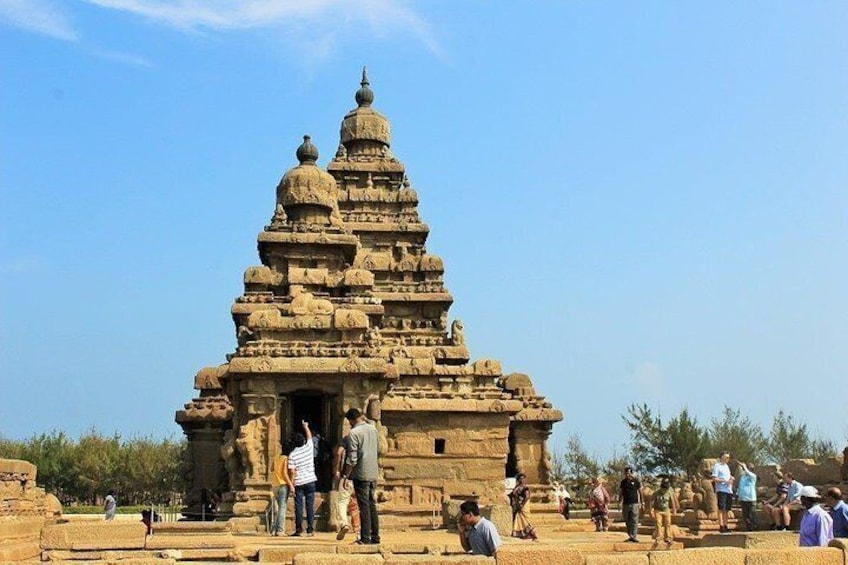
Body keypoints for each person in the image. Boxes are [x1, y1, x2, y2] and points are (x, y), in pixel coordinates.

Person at [341, 408, 380, 545]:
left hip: (361, 473)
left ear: (351, 420)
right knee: (371, 504)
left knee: (363, 506)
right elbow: (379, 450)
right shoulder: (373, 429)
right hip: (373, 471)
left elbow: (352, 458)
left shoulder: (354, 433)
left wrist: (346, 475)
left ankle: (365, 538)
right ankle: (375, 536)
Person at [288, 420, 317, 537]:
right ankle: (310, 529)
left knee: (299, 506)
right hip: (310, 480)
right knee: (310, 505)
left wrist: (291, 484)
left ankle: (299, 529)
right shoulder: (309, 448)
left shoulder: (292, 455)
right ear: (303, 441)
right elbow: (310, 437)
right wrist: (306, 426)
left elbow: (292, 471)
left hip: (299, 482)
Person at [333, 435, 358, 541]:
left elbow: (339, 452)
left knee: (342, 502)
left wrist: (336, 469)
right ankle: (359, 529)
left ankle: (344, 524)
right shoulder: (368, 437)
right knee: (361, 504)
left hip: (347, 477)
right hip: (363, 476)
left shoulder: (348, 438)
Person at [270, 440, 295, 536]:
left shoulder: (276, 458)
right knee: (282, 508)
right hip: (282, 484)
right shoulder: (286, 459)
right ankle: (280, 530)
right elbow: (285, 473)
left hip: (275, 484)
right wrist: (291, 485)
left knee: (278, 509)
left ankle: (273, 530)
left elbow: (272, 469)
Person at [509, 473, 537, 540]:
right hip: (517, 505)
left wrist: (522, 504)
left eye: (523, 478)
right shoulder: (517, 487)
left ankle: (532, 534)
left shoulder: (525, 488)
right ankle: (523, 534)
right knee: (519, 519)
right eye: (521, 478)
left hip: (524, 505)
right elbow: (512, 495)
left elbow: (527, 496)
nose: (522, 480)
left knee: (525, 520)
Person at [650, 478, 678, 547]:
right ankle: (659, 537)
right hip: (658, 510)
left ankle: (668, 537)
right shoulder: (656, 493)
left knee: (667, 524)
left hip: (666, 510)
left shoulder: (669, 492)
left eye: (666, 488)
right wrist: (651, 511)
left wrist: (674, 510)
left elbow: (672, 501)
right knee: (658, 523)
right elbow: (652, 502)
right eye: (664, 488)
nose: (665, 490)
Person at [711, 451, 734, 533]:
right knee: (721, 508)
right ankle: (721, 525)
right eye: (726, 457)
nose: (728, 459)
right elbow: (714, 478)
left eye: (728, 457)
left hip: (729, 490)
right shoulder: (717, 466)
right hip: (721, 489)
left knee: (727, 509)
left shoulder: (727, 466)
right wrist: (724, 481)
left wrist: (731, 478)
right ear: (722, 457)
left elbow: (728, 476)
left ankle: (725, 525)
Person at [619, 467, 642, 542]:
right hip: (626, 504)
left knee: (634, 520)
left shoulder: (636, 481)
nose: (627, 475)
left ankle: (634, 536)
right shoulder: (623, 482)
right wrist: (620, 502)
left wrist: (642, 502)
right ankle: (630, 535)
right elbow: (621, 492)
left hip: (634, 503)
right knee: (627, 520)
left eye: (629, 473)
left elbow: (640, 492)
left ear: (631, 473)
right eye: (626, 473)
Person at [736, 462, 758, 531]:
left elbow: (749, 473)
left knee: (752, 514)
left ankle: (754, 526)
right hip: (743, 499)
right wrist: (738, 495)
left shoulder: (753, 476)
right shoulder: (742, 477)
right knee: (745, 516)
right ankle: (749, 528)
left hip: (751, 499)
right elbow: (740, 487)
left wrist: (744, 467)